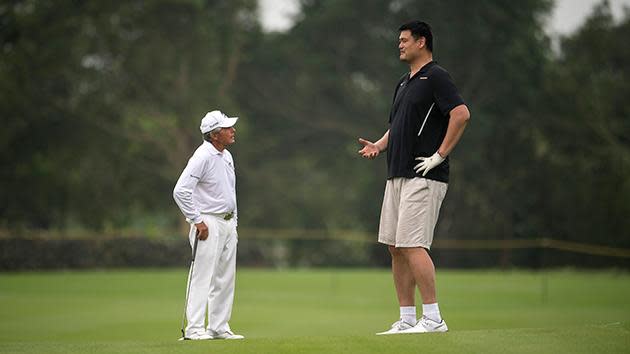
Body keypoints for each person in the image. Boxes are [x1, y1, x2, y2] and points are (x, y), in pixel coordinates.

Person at [358, 21, 470, 335]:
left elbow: (461, 114)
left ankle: (433, 318)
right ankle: (407, 319)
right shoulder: (404, 83)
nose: (400, 45)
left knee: (412, 244)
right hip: (396, 173)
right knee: (395, 246)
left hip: (424, 174)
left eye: (405, 40)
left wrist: (440, 155)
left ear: (422, 42)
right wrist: (379, 146)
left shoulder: (436, 76)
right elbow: (399, 125)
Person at [173, 110, 244, 340]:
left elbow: (228, 192)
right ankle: (194, 329)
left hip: (227, 223)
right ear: (214, 134)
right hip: (207, 222)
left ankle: (218, 326)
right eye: (227, 128)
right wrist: (196, 220)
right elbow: (181, 191)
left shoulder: (227, 156)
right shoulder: (202, 156)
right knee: (202, 276)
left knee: (225, 277)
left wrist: (233, 222)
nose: (233, 131)